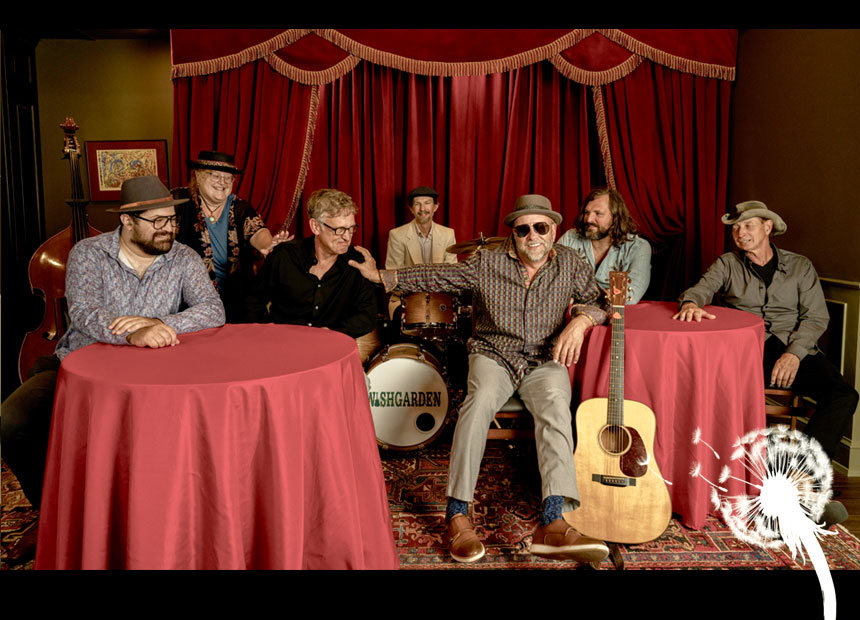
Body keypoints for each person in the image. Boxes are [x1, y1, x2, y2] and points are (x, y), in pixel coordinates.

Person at [349, 194, 610, 564]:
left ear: (554, 230)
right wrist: (382, 276)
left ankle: (553, 522)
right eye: (523, 229)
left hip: (543, 358)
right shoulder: (487, 260)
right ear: (513, 234)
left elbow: (598, 300)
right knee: (478, 403)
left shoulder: (570, 262)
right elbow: (439, 273)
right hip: (494, 354)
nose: (532, 236)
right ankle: (458, 514)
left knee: (556, 408)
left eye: (540, 227)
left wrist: (583, 321)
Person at [1, 176, 226, 561]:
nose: (168, 228)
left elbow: (213, 310)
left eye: (171, 220)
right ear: (127, 221)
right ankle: (48, 514)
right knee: (12, 421)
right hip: (79, 367)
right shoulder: (88, 253)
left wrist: (161, 326)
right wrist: (132, 332)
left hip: (159, 376)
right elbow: (87, 312)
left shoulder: (183, 257)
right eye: (157, 221)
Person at [673, 200, 857, 527]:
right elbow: (699, 291)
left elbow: (816, 317)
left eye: (748, 226)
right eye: (735, 228)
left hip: (793, 350)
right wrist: (690, 302)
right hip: (745, 351)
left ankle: (800, 482)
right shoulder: (727, 264)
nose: (740, 233)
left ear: (767, 227)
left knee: (843, 394)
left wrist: (794, 352)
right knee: (711, 391)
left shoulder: (800, 266)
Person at [246, 188, 378, 361]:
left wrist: (332, 333)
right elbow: (253, 301)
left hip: (332, 352)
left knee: (361, 387)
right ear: (316, 226)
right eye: (339, 229)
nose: (346, 237)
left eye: (351, 229)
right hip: (282, 351)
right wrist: (266, 337)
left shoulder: (358, 262)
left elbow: (367, 315)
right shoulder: (285, 255)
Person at [174, 150, 289, 322]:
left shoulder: (239, 207)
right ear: (198, 175)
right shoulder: (178, 201)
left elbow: (257, 231)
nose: (223, 182)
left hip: (235, 299)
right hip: (187, 300)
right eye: (215, 176)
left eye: (228, 178)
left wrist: (269, 244)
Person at [558, 187, 651, 304]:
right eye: (587, 213)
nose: (589, 219)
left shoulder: (638, 247)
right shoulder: (570, 238)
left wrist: (577, 291)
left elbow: (631, 296)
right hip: (573, 312)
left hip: (616, 317)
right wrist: (605, 293)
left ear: (615, 217)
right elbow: (552, 280)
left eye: (598, 214)